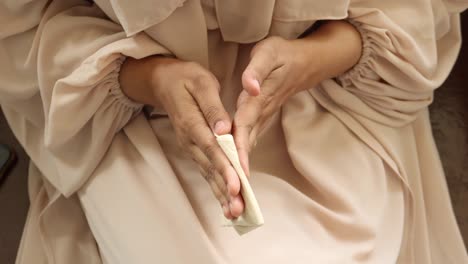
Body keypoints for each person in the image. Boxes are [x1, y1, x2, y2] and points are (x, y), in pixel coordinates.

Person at [0, 0, 467, 263]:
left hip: (335, 92)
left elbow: (415, 11)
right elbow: (22, 35)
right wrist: (153, 79)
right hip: (124, 108)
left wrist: (310, 61)